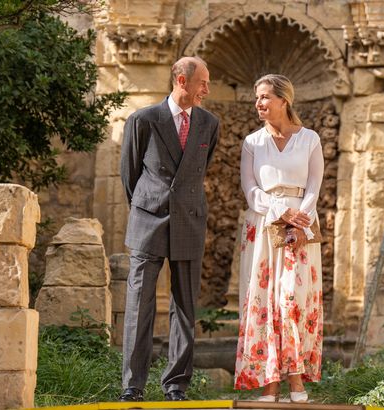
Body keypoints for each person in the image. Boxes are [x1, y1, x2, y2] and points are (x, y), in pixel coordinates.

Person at [118, 56, 219, 402]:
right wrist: (151, 205)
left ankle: (176, 385)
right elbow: (129, 176)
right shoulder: (143, 119)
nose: (207, 89)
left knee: (186, 307)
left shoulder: (209, 123)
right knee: (139, 305)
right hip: (149, 221)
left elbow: (197, 172)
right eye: (202, 82)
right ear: (181, 80)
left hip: (189, 221)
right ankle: (133, 386)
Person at [234, 74, 324, 403]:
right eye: (257, 97)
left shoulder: (310, 139)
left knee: (293, 300)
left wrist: (300, 223)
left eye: (265, 97)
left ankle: (297, 381)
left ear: (284, 100)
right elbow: (250, 189)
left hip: (302, 225)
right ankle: (269, 385)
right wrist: (279, 213)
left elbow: (314, 185)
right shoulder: (252, 142)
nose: (259, 103)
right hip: (264, 225)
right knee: (265, 301)